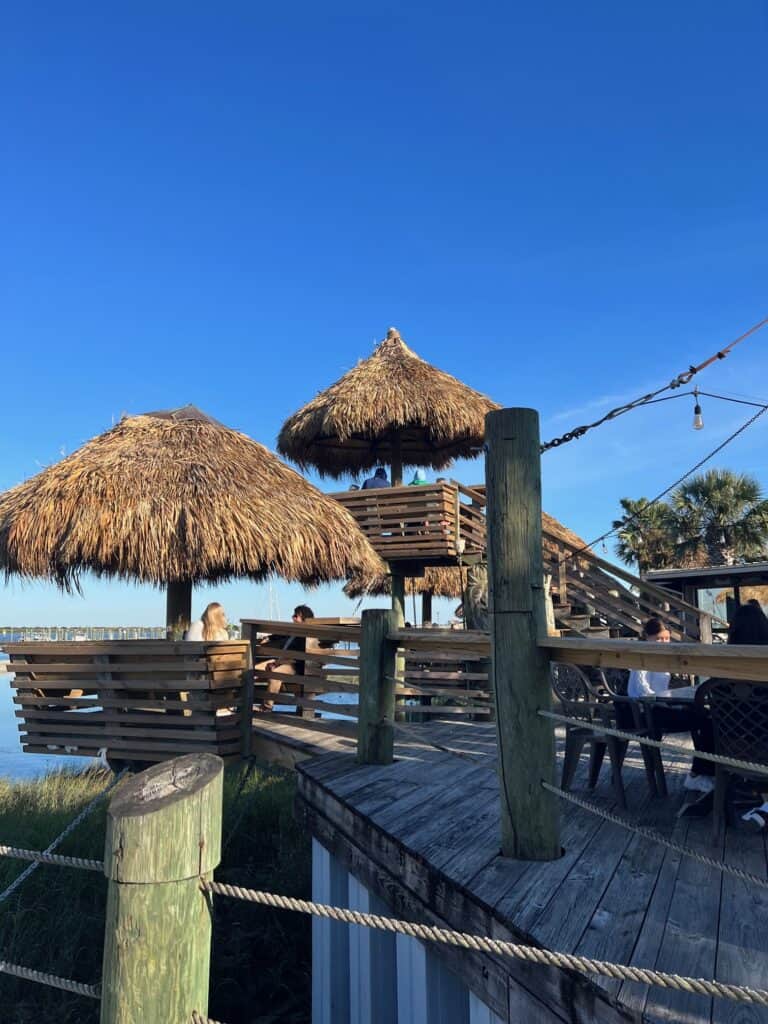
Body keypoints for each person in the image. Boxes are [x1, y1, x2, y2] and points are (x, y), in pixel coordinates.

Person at [628, 617, 715, 802]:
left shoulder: (663, 657)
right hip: (646, 713)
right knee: (705, 720)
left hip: (661, 707)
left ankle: (702, 771)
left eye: (666, 638)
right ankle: (698, 775)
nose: (663, 642)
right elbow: (642, 691)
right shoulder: (641, 656)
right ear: (647, 638)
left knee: (705, 716)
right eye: (659, 638)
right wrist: (670, 704)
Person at [719, 602, 768, 829]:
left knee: (704, 720)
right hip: (764, 749)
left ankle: (710, 783)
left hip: (731, 750)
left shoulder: (721, 667)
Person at [254, 605, 314, 711]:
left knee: (275, 674)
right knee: (253, 670)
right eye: (293, 615)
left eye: (296, 616)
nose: (293, 618)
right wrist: (268, 638)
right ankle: (242, 701)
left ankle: (267, 707)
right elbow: (280, 635)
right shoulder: (293, 631)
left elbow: (298, 658)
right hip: (281, 661)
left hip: (294, 666)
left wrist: (277, 663)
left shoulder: (306, 637)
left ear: (304, 618)